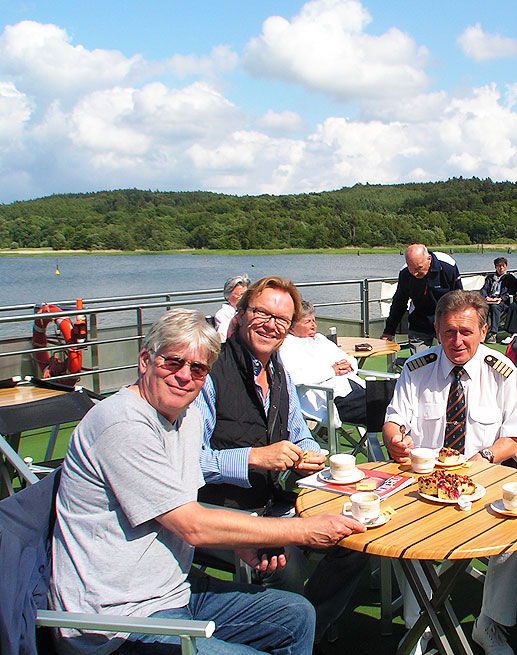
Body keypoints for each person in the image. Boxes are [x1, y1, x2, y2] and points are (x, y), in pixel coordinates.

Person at [50, 308, 365, 655]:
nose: (184, 376)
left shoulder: (186, 421)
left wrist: (237, 542)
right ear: (145, 361)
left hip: (175, 589)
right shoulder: (121, 424)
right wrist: (304, 530)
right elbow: (191, 526)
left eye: (198, 369)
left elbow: (178, 503)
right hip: (117, 621)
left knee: (296, 615)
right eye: (173, 363)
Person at [193, 276, 367, 643]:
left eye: (281, 320)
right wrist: (254, 458)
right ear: (239, 315)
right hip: (227, 514)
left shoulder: (277, 371)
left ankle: (310, 629)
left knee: (357, 538)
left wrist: (310, 454)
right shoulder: (208, 373)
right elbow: (190, 464)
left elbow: (298, 431)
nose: (271, 325)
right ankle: (295, 627)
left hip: (283, 503)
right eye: (262, 313)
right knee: (283, 564)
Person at [383, 290, 517, 655]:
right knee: (401, 533)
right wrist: (396, 439)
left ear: (483, 330)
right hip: (426, 484)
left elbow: (515, 436)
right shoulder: (417, 369)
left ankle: (488, 625)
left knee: (513, 539)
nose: (457, 341)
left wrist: (486, 457)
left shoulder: (502, 373)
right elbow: (393, 421)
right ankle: (420, 627)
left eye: (465, 332)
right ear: (436, 330)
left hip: (484, 478)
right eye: (448, 332)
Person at [281, 300, 366, 426]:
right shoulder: (286, 346)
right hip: (334, 401)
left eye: (314, 321)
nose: (313, 326)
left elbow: (349, 359)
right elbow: (294, 377)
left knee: (396, 392)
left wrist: (347, 365)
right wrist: (332, 370)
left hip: (355, 389)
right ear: (291, 326)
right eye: (307, 322)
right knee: (387, 401)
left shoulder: (320, 339)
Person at [382, 243, 462, 353]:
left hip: (446, 320)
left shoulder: (448, 266)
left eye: (419, 268)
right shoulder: (405, 273)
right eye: (411, 269)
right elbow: (399, 303)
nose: (415, 273)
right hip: (419, 322)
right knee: (419, 364)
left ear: (429, 259)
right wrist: (389, 331)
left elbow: (459, 298)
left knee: (450, 359)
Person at [480, 256, 517, 343]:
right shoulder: (490, 278)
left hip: (503, 302)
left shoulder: (509, 278)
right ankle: (480, 332)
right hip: (489, 300)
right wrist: (487, 298)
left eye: (503, 266)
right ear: (495, 267)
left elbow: (510, 292)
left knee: (494, 307)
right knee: (480, 307)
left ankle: (493, 334)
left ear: (506, 267)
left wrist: (500, 298)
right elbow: (483, 290)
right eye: (499, 266)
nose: (501, 268)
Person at [213, 274, 250, 340]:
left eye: (247, 294)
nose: (245, 298)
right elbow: (223, 337)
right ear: (228, 296)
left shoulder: (249, 311)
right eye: (241, 295)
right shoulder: (223, 314)